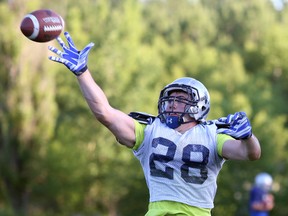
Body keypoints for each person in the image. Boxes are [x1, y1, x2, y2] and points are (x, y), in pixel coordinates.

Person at [48, 32, 261, 216]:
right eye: (171, 98)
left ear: (199, 105)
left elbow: (250, 154)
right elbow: (105, 113)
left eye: (180, 99)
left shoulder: (212, 135)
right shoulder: (150, 131)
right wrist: (83, 73)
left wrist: (248, 137)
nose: (173, 103)